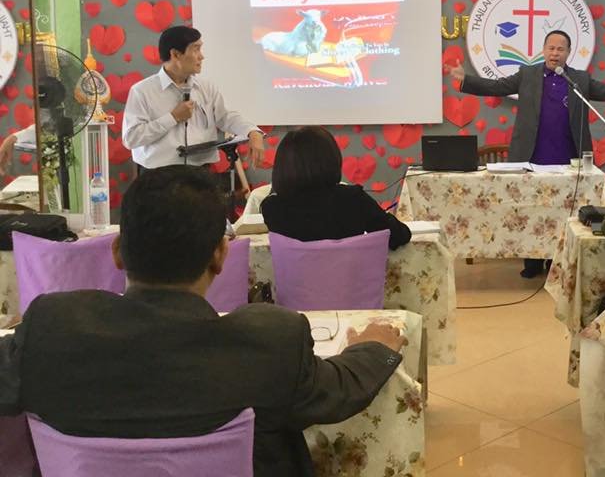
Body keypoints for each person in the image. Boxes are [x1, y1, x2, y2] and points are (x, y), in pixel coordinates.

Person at [0, 165, 406, 477]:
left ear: (118, 251)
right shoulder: (271, 343)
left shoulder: (50, 331)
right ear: (220, 255)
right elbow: (338, 389)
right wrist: (374, 347)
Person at [449, 29, 605, 277]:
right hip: (530, 154)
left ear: (568, 53)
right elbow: (496, 86)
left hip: (567, 156)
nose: (555, 53)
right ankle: (531, 263)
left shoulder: (578, 79)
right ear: (543, 50)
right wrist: (465, 80)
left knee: (562, 210)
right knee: (528, 209)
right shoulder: (527, 74)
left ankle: (555, 261)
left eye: (560, 49)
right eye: (551, 48)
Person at [122, 25, 265, 170]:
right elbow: (131, 138)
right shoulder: (142, 91)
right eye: (196, 49)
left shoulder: (206, 87)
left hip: (201, 172)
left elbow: (226, 117)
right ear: (175, 54)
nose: (201, 56)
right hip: (159, 174)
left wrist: (251, 132)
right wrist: (173, 118)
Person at [261, 126, 411, 250]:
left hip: (297, 279)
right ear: (331, 159)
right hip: (351, 278)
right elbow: (399, 236)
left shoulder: (272, 208)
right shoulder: (353, 199)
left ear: (282, 165)